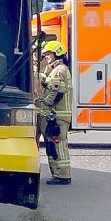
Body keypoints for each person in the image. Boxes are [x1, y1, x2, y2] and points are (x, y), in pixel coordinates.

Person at [35, 40, 72, 185]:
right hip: (56, 114)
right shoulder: (55, 69)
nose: (46, 56)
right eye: (45, 54)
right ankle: (59, 174)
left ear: (57, 53)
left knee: (58, 145)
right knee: (53, 145)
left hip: (58, 115)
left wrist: (45, 103)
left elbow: (57, 91)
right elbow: (48, 82)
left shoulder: (60, 69)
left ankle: (63, 176)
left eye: (49, 54)